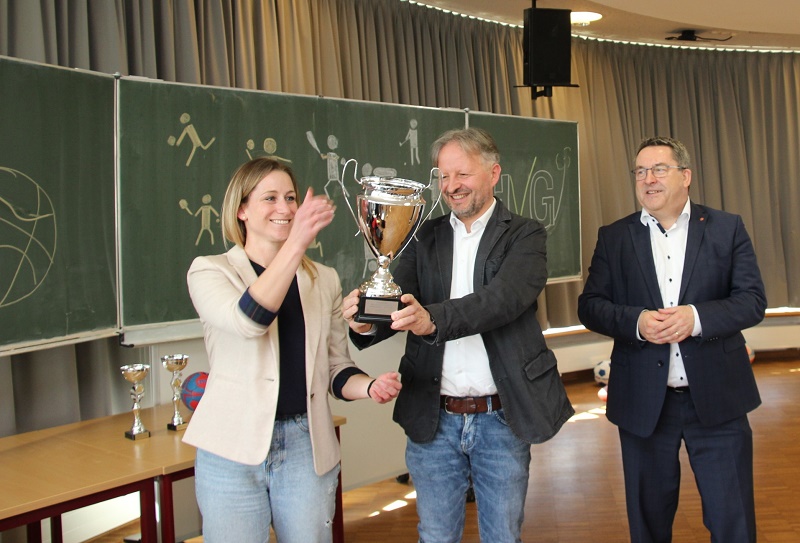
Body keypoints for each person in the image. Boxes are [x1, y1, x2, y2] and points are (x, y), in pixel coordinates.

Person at [343, 127, 574, 542]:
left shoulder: (526, 234)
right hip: (434, 419)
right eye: (443, 176)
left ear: (493, 173)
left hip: (502, 418)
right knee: (435, 535)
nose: (451, 187)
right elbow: (399, 300)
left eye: (462, 175)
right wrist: (365, 321)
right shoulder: (423, 235)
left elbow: (502, 301)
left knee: (502, 535)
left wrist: (432, 319)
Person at [183, 157, 402, 543]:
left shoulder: (323, 280)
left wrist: (368, 386)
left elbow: (335, 368)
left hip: (305, 444)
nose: (285, 208)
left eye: (290, 197)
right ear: (242, 210)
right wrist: (297, 243)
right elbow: (250, 320)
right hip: (231, 447)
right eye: (270, 198)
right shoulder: (210, 271)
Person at [578, 136, 766, 543]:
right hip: (644, 404)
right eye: (640, 171)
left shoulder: (726, 227)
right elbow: (590, 306)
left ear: (685, 176)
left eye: (659, 169)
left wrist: (696, 318)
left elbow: (752, 301)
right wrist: (637, 322)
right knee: (648, 526)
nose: (648, 179)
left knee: (732, 520)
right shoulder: (614, 237)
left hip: (719, 402)